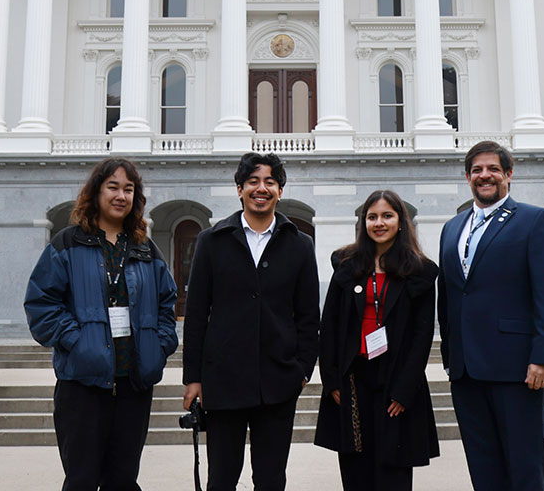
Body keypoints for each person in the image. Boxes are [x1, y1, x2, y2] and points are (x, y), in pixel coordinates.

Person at [24, 158, 179, 491]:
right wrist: (77, 341)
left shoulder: (144, 249)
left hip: (133, 383)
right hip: (82, 384)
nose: (120, 195)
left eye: (128, 189)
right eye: (112, 187)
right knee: (81, 480)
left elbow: (168, 303)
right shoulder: (67, 244)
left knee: (123, 480)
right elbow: (41, 305)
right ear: (95, 192)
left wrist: (160, 344)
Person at [182, 152, 320, 491]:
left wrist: (302, 370)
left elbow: (308, 316)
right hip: (223, 380)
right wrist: (193, 379)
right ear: (240, 188)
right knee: (222, 479)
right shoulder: (211, 241)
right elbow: (197, 314)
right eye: (253, 182)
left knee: (271, 479)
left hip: (278, 382)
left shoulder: (299, 244)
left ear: (280, 191)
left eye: (270, 182)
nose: (262, 188)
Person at [438, 140, 544, 491]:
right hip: (466, 371)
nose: (485, 176)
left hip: (518, 369)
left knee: (523, 466)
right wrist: (450, 357)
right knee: (483, 468)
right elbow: (450, 296)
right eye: (477, 170)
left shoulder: (534, 220)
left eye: (494, 169)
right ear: (467, 177)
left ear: (508, 175)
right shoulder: (452, 228)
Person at [314, 189, 439, 491]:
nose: (379, 223)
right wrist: (331, 381)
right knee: (356, 470)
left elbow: (423, 335)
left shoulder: (419, 271)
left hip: (396, 382)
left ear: (400, 221)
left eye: (387, 216)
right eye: (372, 217)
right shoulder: (346, 265)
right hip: (353, 380)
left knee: (392, 471)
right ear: (363, 222)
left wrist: (404, 390)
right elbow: (329, 325)